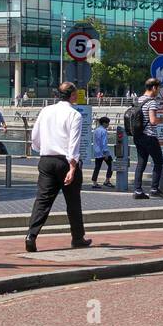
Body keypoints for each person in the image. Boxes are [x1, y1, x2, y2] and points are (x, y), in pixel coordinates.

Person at [24, 81, 92, 252]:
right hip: (64, 161)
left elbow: (35, 137)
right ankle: (77, 238)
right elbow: (74, 143)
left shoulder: (46, 110)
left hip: (46, 160)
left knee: (42, 200)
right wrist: (73, 167)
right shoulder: (74, 114)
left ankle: (31, 235)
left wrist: (41, 149)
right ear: (73, 95)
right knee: (73, 202)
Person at [132, 77, 163, 199]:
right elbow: (153, 121)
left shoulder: (138, 100)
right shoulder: (151, 102)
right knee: (158, 162)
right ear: (154, 88)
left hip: (138, 136)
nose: (159, 91)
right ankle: (154, 188)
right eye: (158, 88)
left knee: (141, 163)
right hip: (149, 136)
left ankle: (137, 190)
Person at [90, 117, 115, 187]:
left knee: (97, 167)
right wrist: (105, 153)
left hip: (97, 151)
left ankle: (94, 182)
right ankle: (107, 180)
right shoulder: (103, 131)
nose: (108, 124)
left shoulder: (96, 130)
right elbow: (104, 143)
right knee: (111, 165)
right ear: (104, 123)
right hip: (103, 152)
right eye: (107, 123)